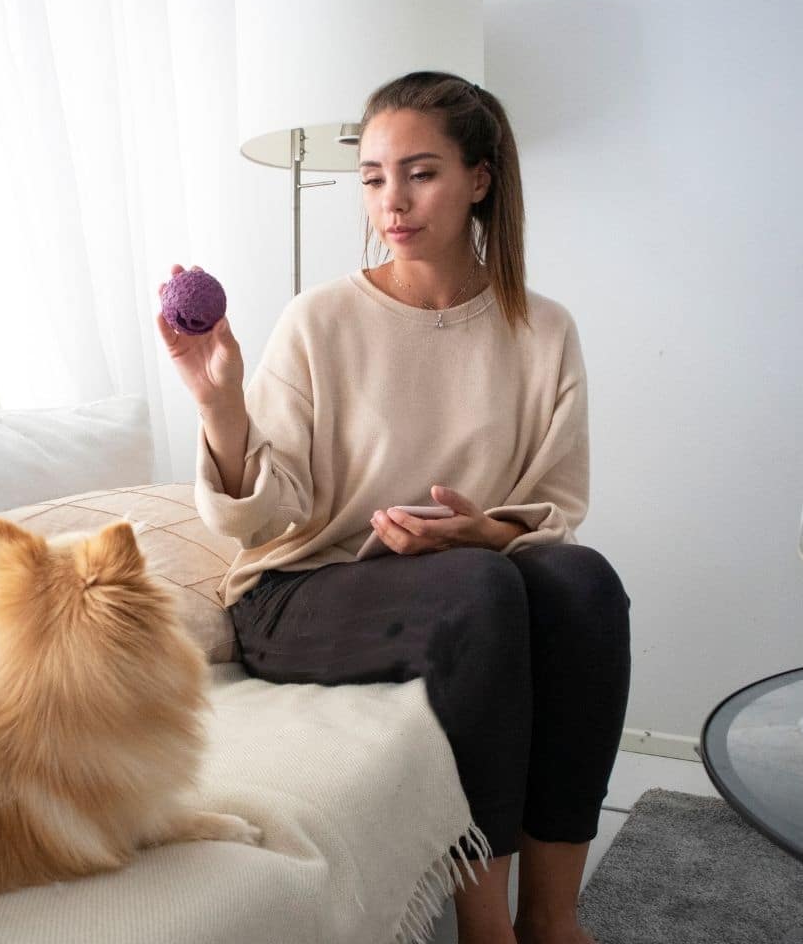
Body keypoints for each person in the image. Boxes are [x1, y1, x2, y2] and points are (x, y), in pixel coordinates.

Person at [155, 70, 630, 944]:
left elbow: (557, 504)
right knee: (481, 591)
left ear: (480, 179)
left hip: (465, 576)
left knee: (584, 584)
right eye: (373, 177)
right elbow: (263, 517)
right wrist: (219, 406)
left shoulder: (544, 329)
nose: (391, 201)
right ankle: (485, 930)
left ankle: (555, 922)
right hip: (303, 591)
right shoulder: (321, 319)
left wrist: (488, 530)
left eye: (420, 173)